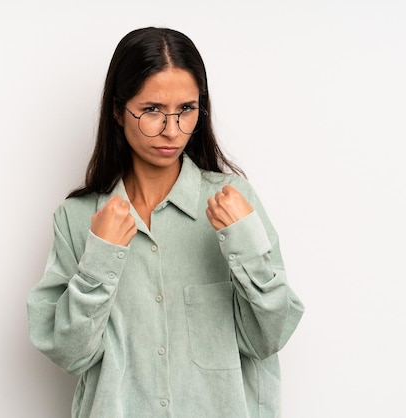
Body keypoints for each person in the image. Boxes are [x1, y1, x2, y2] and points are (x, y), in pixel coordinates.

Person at [27, 27, 304, 418]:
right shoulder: (77, 218)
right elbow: (69, 354)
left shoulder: (233, 201)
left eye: (186, 110)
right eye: (153, 110)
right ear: (118, 110)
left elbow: (269, 337)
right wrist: (100, 260)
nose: (172, 131)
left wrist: (245, 244)